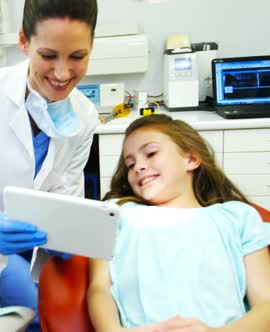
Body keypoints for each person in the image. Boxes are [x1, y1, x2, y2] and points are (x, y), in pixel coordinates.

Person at [0, 0, 99, 315]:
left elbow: (67, 194)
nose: (63, 73)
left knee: (80, 310)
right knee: (39, 314)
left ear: (91, 46)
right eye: (48, 56)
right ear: (24, 41)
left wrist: (68, 236)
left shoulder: (85, 115)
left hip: (40, 250)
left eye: (78, 56)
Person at [88, 114, 270, 331]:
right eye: (130, 164)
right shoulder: (116, 214)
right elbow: (99, 288)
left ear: (191, 159)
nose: (138, 167)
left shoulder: (238, 217)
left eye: (151, 153)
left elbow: (266, 304)